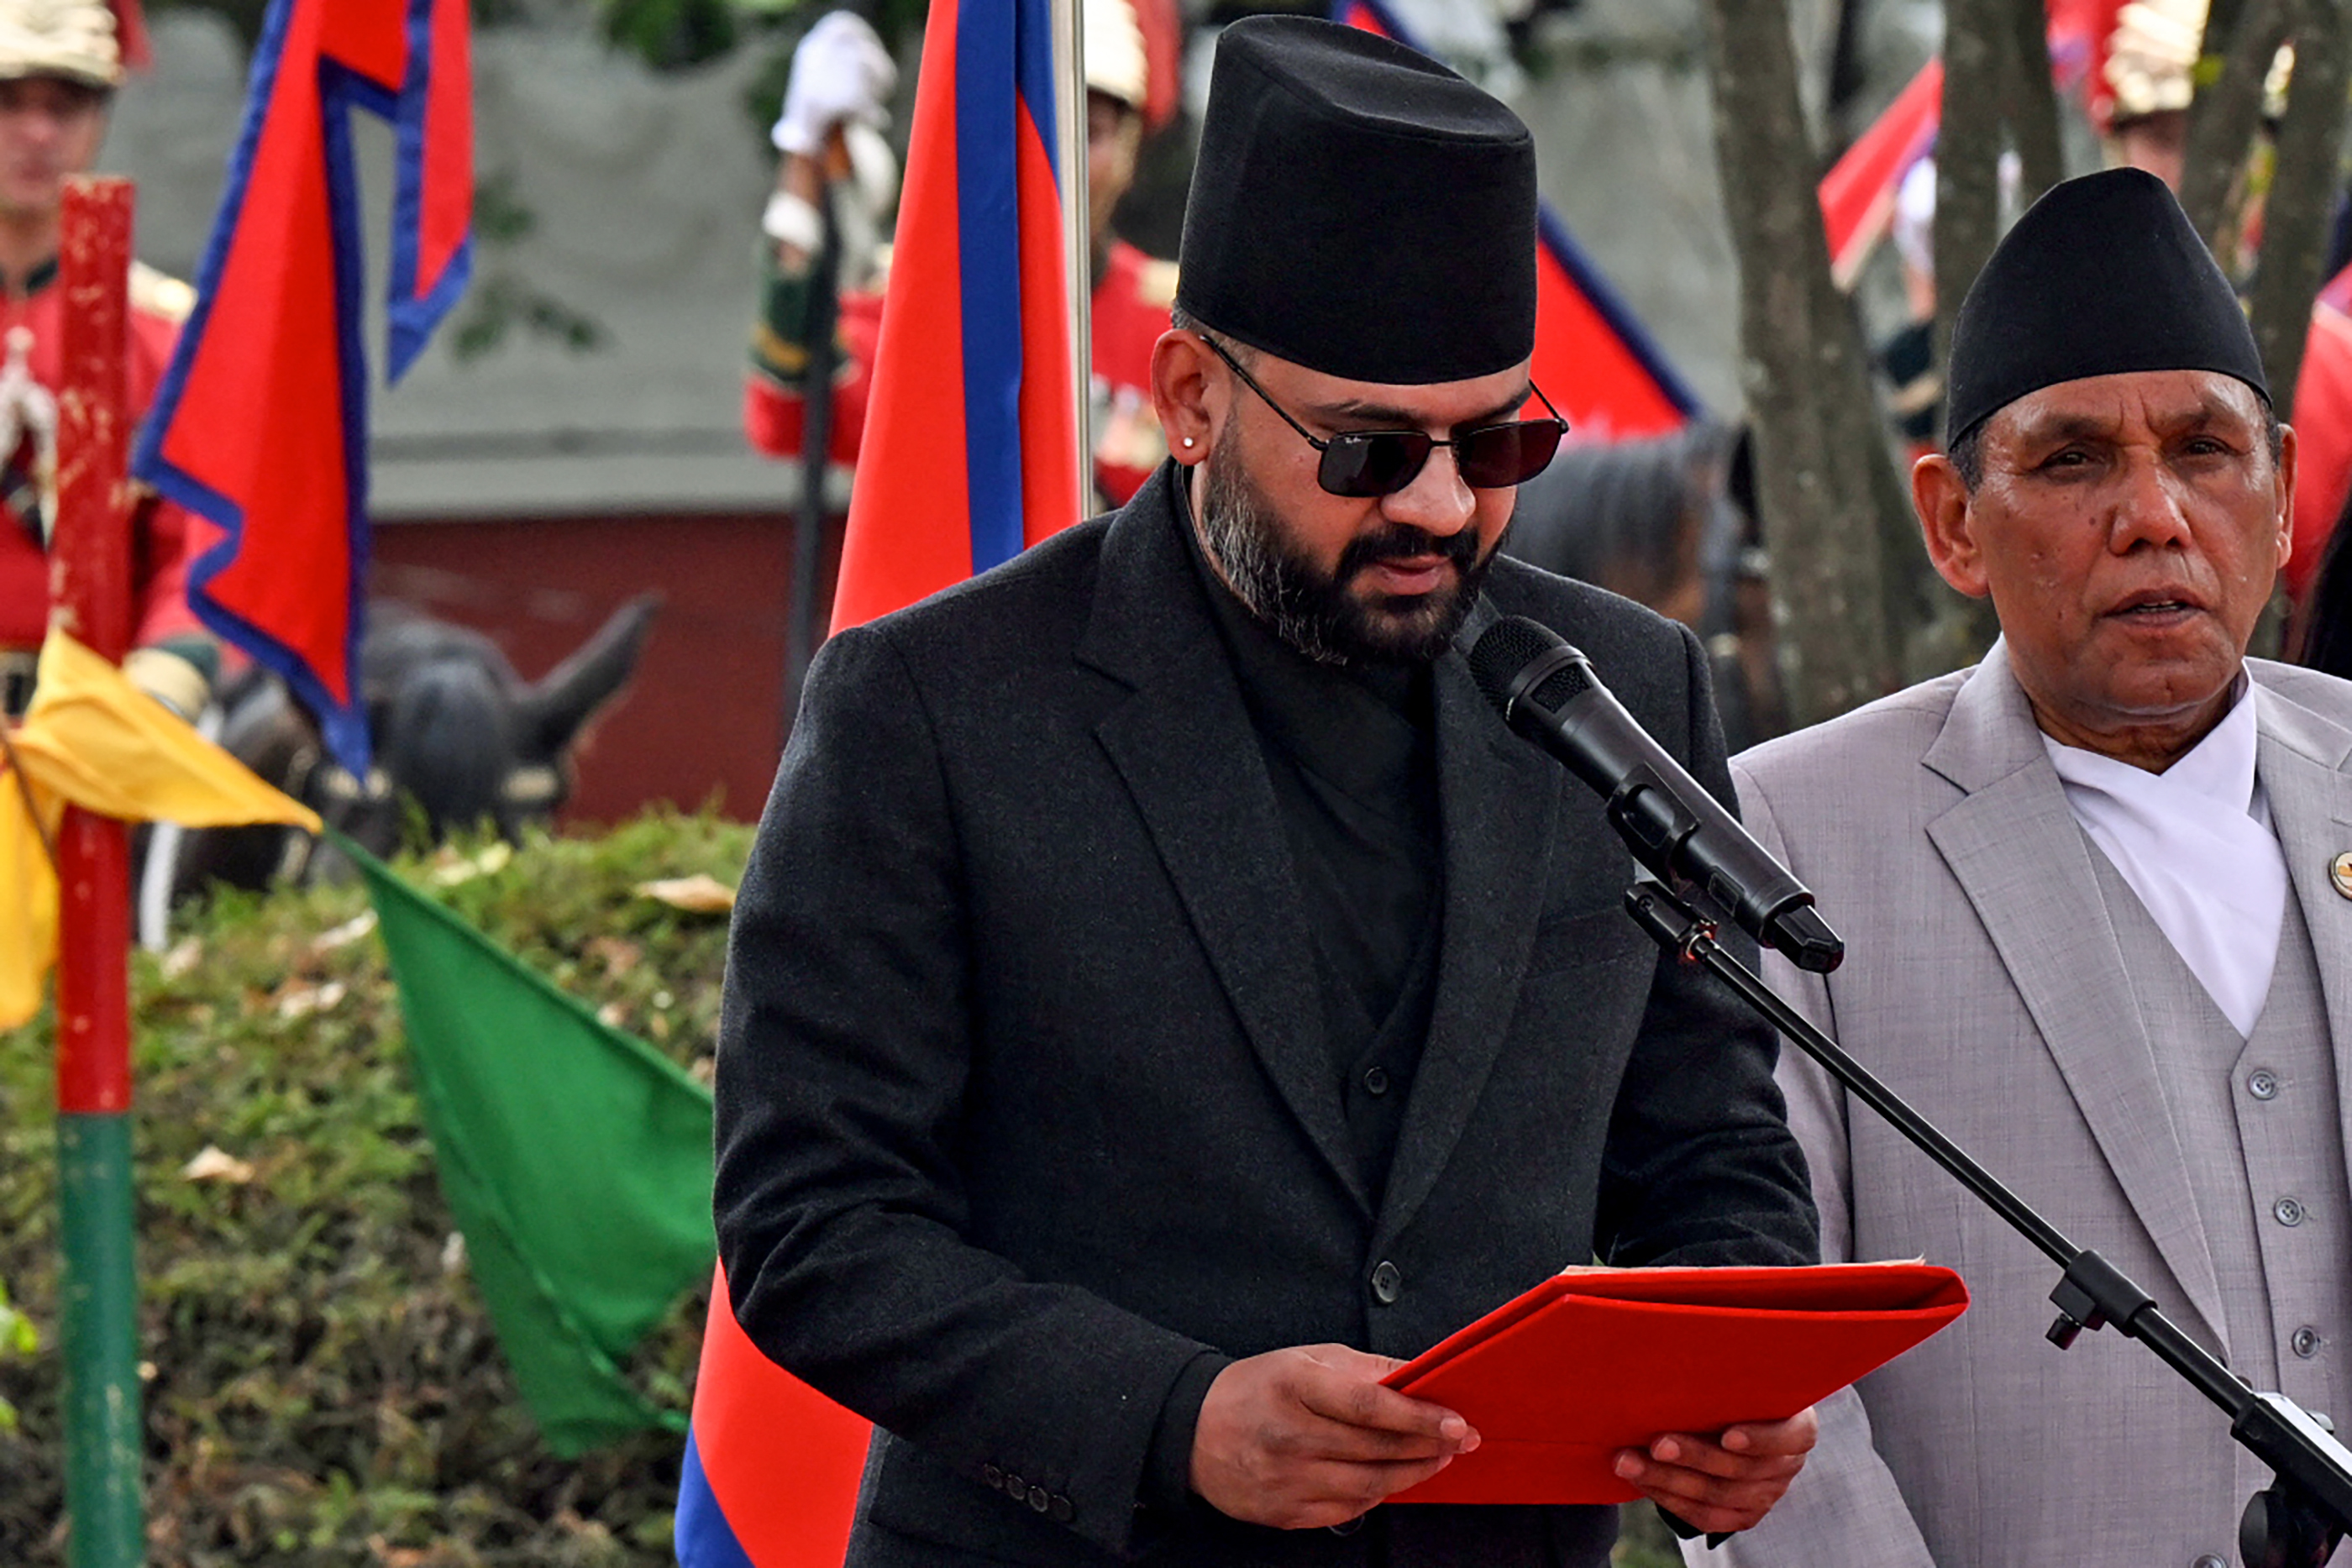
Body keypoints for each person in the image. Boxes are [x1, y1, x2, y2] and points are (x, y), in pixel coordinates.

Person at [714, 17, 1822, 1568]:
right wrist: (1174, 1416)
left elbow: (1709, 1144)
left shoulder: (1626, 690)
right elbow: (811, 1220)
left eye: (1499, 438)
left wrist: (1722, 1368)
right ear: (1188, 397)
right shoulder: (933, 706)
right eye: (1370, 447)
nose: (1443, 504)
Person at [1693, 166, 2352, 1567]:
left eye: (2205, 452)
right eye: (2072, 461)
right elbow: (1760, 1372)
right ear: (1951, 520)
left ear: (2285, 495)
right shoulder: (1785, 841)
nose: (2156, 515)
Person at [743, 0, 1179, 510]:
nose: (1058, 153)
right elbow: (791, 415)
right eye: (1036, 122)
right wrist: (804, 162)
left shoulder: (1172, 324)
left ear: (1131, 150)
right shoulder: (917, 303)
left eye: (1091, 131)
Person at [0, 0, 209, 722]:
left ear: (101, 116)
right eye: (7, 101)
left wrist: (159, 691)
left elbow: (201, 543)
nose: (37, 132)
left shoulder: (163, 333)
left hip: (99, 737)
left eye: (65, 105)